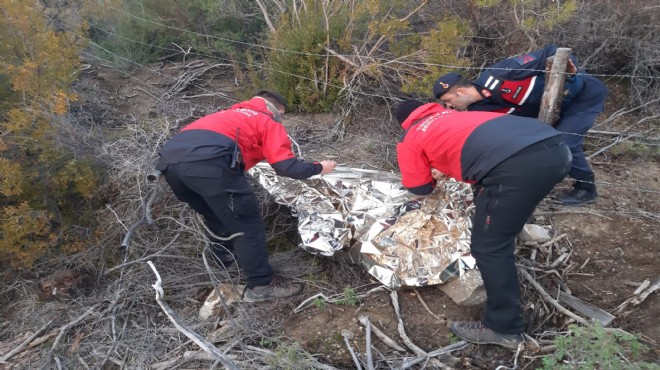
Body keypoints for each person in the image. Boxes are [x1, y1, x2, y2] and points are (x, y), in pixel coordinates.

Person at [394, 100, 572, 349]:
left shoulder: (412, 138)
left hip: (518, 167)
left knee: (489, 247)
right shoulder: (458, 116)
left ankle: (504, 329)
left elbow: (419, 188)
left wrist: (431, 173)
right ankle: (515, 228)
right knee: (496, 195)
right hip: (557, 148)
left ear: (405, 123)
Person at [156, 90, 337, 302]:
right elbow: (286, 166)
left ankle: (225, 261)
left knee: (215, 215)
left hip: (169, 167)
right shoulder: (267, 120)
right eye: (282, 114)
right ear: (276, 109)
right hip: (211, 166)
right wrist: (319, 168)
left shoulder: (225, 116)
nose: (282, 118)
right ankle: (260, 286)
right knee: (247, 226)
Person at [432, 45, 608, 206]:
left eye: (448, 100)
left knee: (567, 142)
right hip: (549, 112)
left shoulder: (503, 72)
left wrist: (569, 73)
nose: (448, 106)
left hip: (583, 98)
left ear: (461, 91)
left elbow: (552, 51)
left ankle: (586, 188)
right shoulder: (478, 110)